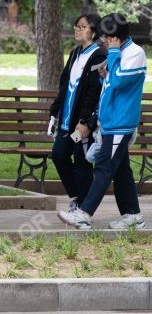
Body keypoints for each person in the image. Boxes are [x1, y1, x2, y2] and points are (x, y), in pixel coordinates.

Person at [59, 13, 147, 230]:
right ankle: (133, 215)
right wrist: (102, 73)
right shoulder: (119, 52)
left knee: (104, 168)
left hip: (121, 123)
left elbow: (117, 81)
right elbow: (109, 82)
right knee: (121, 171)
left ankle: (83, 213)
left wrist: (113, 56)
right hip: (110, 123)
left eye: (107, 37)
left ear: (117, 37)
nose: (104, 41)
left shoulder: (134, 53)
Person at [47, 14, 105, 212]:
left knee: (81, 162)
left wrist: (86, 122)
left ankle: (83, 207)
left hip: (82, 123)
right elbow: (64, 85)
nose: (77, 29)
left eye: (83, 27)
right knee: (59, 155)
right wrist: (55, 111)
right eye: (76, 26)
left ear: (94, 30)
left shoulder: (99, 56)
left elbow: (94, 92)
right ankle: (78, 197)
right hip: (66, 122)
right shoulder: (74, 54)